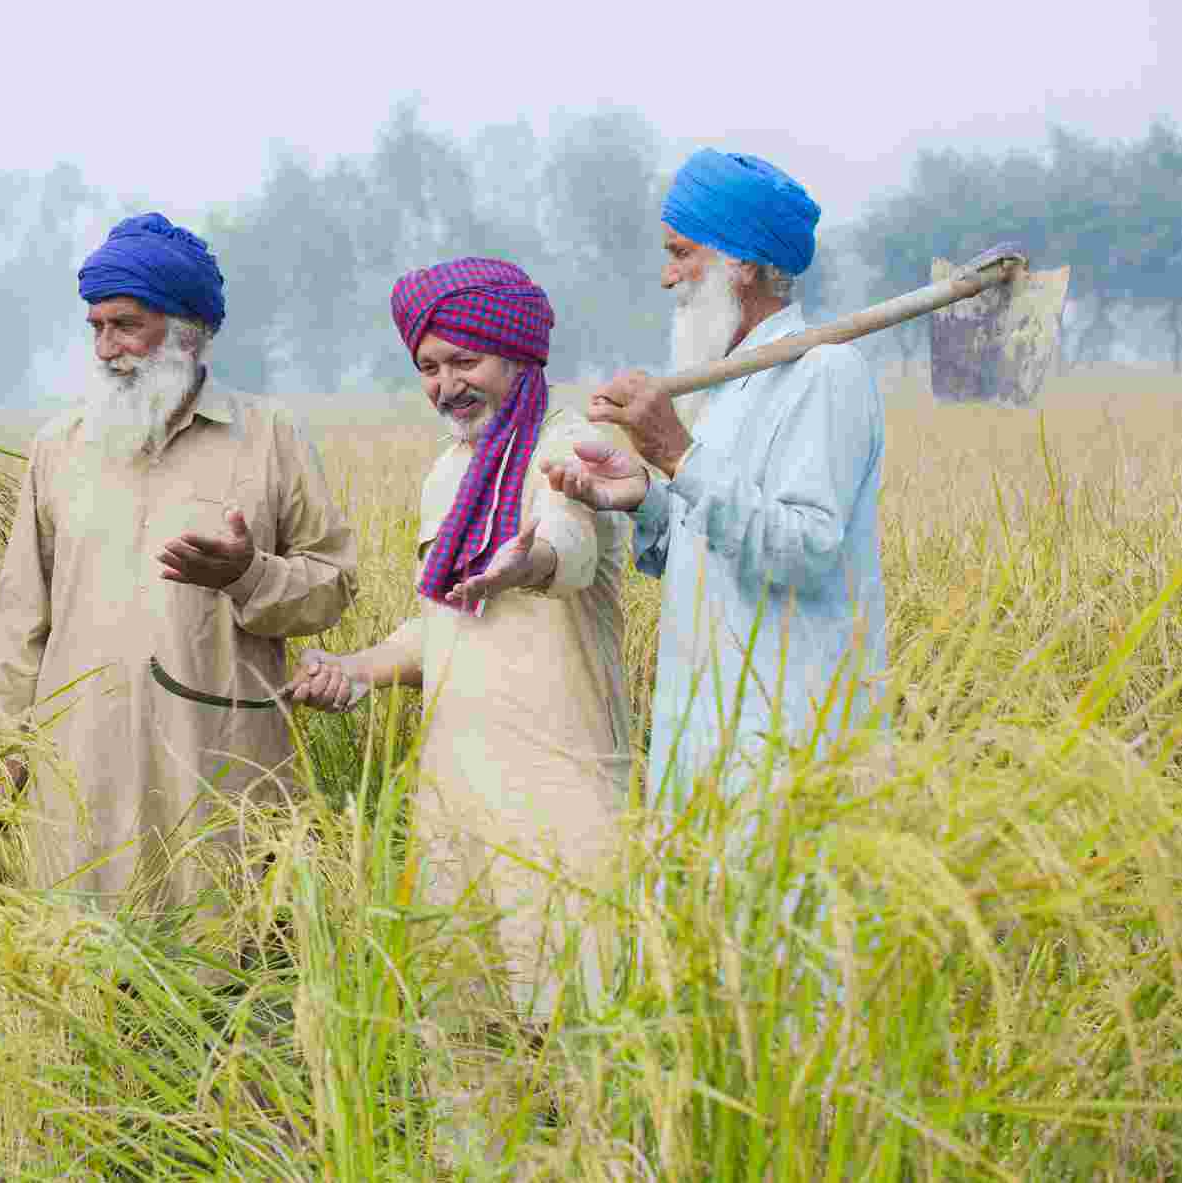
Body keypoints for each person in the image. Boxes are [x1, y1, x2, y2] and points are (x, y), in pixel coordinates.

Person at [0, 212, 358, 916]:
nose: (107, 347)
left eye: (126, 325)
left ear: (188, 329)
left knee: (229, 973)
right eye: (95, 328)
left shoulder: (268, 437)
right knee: (83, 978)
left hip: (220, 767)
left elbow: (331, 586)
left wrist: (249, 576)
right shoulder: (59, 447)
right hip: (79, 770)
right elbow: (18, 617)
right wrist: (0, 749)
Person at [285, 258, 632, 1019]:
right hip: (457, 786)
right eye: (429, 367)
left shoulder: (572, 445)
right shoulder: (450, 470)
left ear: (515, 352)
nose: (446, 386)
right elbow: (440, 627)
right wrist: (353, 670)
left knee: (579, 1027)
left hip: (561, 787)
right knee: (458, 1032)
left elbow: (567, 550)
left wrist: (523, 563)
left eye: (464, 361)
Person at [543, 149, 889, 806]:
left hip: (790, 751)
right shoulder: (729, 387)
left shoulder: (823, 375)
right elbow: (713, 551)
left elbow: (802, 552)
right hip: (706, 741)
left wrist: (674, 452)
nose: (667, 276)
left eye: (681, 253)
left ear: (743, 263)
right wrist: (646, 497)